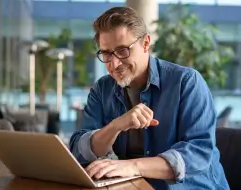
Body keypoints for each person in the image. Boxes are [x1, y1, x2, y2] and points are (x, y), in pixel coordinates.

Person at [69, 6, 229, 190]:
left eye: (122, 51)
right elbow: (79, 150)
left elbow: (198, 153)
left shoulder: (186, 82)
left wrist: (132, 166)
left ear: (145, 43)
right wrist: (115, 126)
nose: (114, 64)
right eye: (106, 53)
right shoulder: (101, 89)